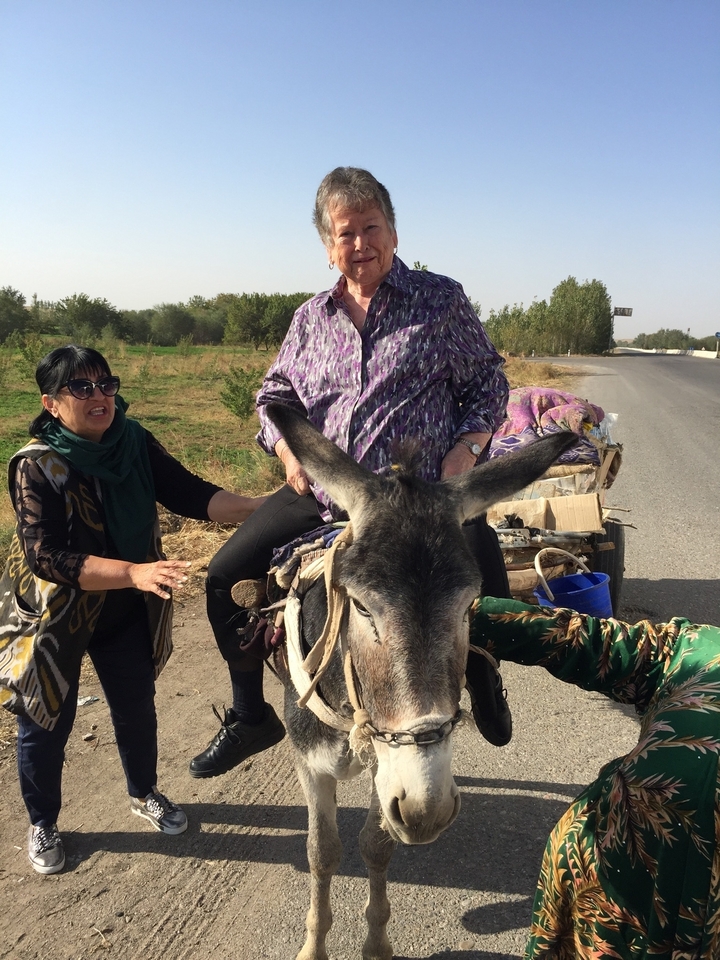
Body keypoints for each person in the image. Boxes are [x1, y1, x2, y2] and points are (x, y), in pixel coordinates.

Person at [190, 165, 513, 781]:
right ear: (326, 243)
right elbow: (273, 394)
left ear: (393, 231)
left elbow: (486, 384)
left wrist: (468, 448)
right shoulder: (310, 318)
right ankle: (249, 713)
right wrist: (287, 453)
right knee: (223, 575)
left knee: (480, 579)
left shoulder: (439, 300)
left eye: (371, 227)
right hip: (326, 490)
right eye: (345, 232)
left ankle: (484, 675)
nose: (359, 243)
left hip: (419, 497)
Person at [0, 345, 266, 876]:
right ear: (52, 403)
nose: (99, 396)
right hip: (54, 616)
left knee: (135, 708)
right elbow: (45, 556)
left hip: (124, 608)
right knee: (47, 719)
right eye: (82, 388)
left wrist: (268, 508)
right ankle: (43, 821)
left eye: (106, 384)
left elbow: (190, 494)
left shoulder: (133, 441)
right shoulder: (37, 465)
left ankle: (144, 793)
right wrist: (133, 571)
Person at [470, 595, 720, 959]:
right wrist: (466, 612)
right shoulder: (696, 648)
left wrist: (468, 613)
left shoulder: (698, 648)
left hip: (620, 881)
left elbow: (586, 640)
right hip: (606, 883)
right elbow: (588, 640)